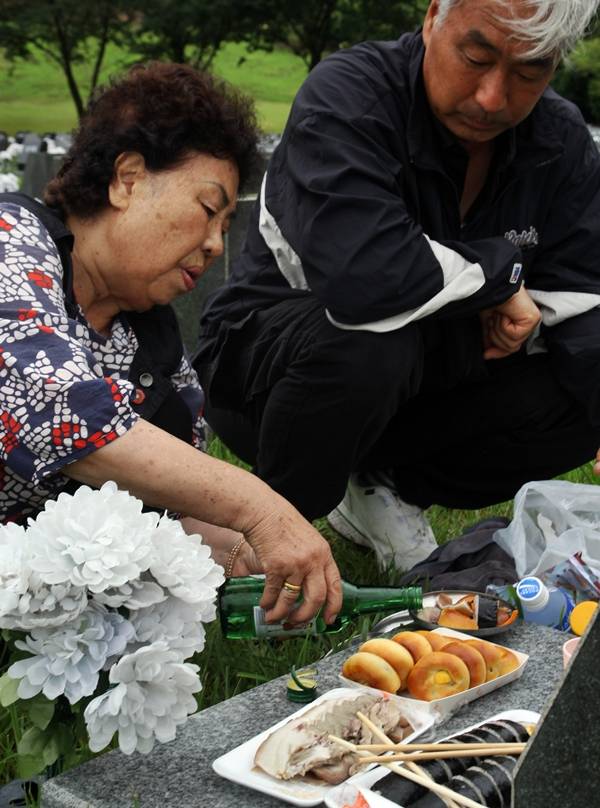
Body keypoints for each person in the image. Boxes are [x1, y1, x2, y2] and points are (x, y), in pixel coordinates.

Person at [195, 0, 600, 572]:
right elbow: (365, 278)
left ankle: (385, 489)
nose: (492, 97)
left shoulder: (559, 140)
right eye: (476, 56)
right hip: (266, 375)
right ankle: (268, 531)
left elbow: (584, 294)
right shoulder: (347, 96)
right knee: (371, 340)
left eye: (530, 71)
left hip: (426, 383)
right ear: (435, 16)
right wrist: (497, 274)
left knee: (586, 390)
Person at [0, 62, 342, 628]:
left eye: (225, 228)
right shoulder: (13, 244)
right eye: (208, 210)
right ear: (127, 178)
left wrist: (249, 557)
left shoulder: (151, 346)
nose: (212, 244)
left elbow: (166, 511)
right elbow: (56, 412)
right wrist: (260, 508)